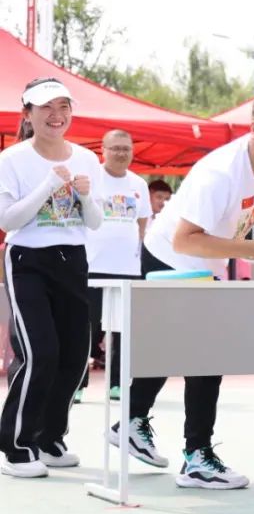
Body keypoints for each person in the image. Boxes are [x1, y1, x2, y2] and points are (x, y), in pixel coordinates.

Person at [108, 91, 254, 489]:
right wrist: (253, 249)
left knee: (178, 351)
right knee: (205, 355)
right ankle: (197, 457)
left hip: (202, 261)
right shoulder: (220, 174)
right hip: (171, 258)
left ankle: (130, 420)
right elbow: (185, 240)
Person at [0, 77, 103, 478]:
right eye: (46, 107)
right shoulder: (12, 159)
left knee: (76, 357)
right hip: (28, 260)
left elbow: (93, 222)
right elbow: (8, 221)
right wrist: (48, 185)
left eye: (63, 107)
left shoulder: (87, 159)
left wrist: (85, 196)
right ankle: (17, 446)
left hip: (72, 259)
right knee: (40, 353)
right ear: (27, 113)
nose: (56, 115)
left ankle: (49, 438)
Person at [77, 130, 152, 403]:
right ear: (103, 150)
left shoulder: (139, 183)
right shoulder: (91, 178)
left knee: (123, 330)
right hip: (92, 266)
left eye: (126, 149)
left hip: (127, 268)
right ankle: (78, 383)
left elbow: (143, 222)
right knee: (87, 328)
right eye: (116, 148)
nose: (121, 154)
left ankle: (118, 384)